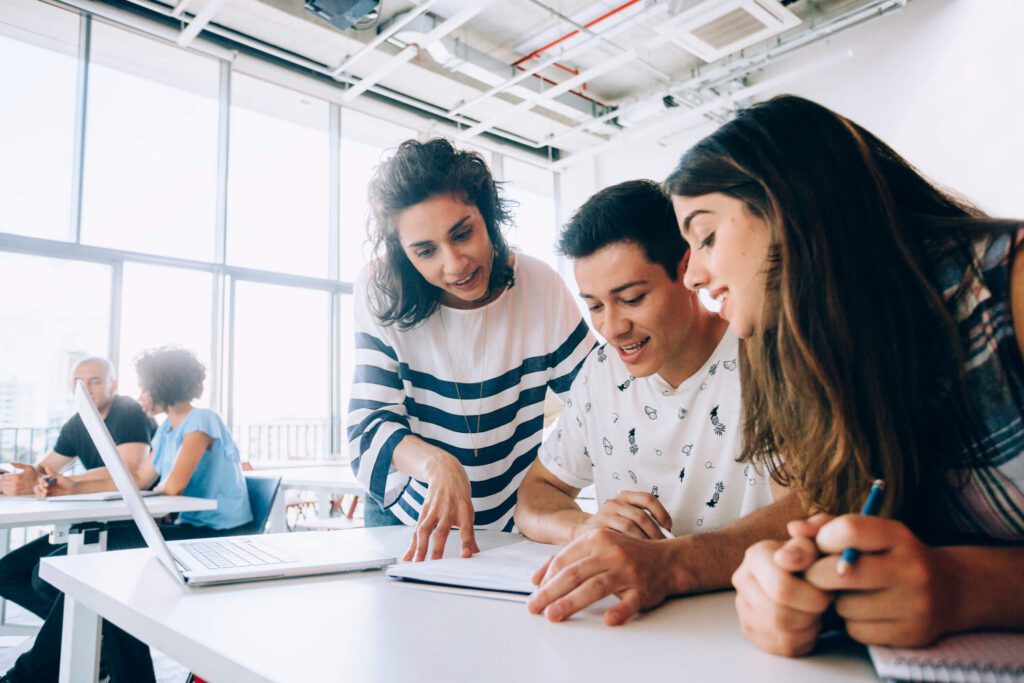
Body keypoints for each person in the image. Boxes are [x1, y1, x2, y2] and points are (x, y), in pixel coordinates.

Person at [665, 94, 1024, 656]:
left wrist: (965, 588)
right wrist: (793, 583)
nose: (693, 276)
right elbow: (824, 511)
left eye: (706, 236)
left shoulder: (1010, 286)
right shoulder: (809, 357)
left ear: (791, 205)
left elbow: (946, 577)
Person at [515, 180, 800, 625]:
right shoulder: (599, 373)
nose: (612, 327)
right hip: (630, 629)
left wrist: (670, 562)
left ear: (687, 267)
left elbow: (809, 506)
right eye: (594, 306)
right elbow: (535, 496)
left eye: (631, 298)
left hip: (743, 624)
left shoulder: (765, 355)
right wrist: (585, 527)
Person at [348, 138, 595, 561]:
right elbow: (369, 427)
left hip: (511, 516)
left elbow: (600, 403)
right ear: (405, 255)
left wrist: (553, 482)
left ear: (489, 216)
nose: (455, 264)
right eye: (426, 251)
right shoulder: (382, 290)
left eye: (463, 233)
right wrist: (436, 464)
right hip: (409, 519)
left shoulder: (540, 287)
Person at [1, 347, 251, 683]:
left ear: (165, 385)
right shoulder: (165, 431)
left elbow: (173, 486)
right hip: (186, 526)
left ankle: (29, 676)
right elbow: (143, 479)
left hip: (215, 536)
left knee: (92, 568)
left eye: (146, 387)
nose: (141, 395)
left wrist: (90, 485)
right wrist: (71, 485)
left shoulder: (202, 420)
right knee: (93, 580)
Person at [0, 357, 153, 620]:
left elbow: (127, 469)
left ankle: (87, 642)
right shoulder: (77, 423)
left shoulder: (127, 410)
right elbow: (45, 469)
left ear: (113, 384)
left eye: (95, 381)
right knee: (6, 573)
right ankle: (81, 642)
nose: (87, 389)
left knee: (44, 576)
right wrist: (14, 477)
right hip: (93, 522)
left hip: (132, 523)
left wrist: (56, 480)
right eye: (79, 382)